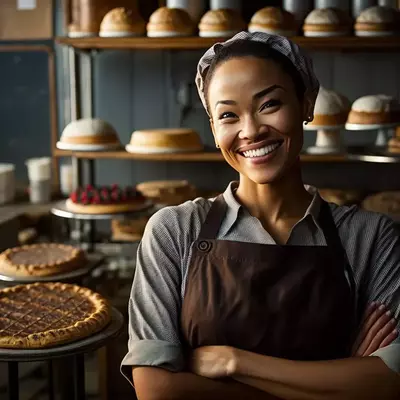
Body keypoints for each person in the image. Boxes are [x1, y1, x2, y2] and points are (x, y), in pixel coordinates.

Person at [121, 32, 400, 399]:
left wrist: (234, 363)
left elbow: (390, 382)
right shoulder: (175, 231)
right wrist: (338, 381)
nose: (250, 131)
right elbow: (156, 390)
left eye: (269, 104)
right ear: (214, 129)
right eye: (228, 115)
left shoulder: (370, 237)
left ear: (306, 103)